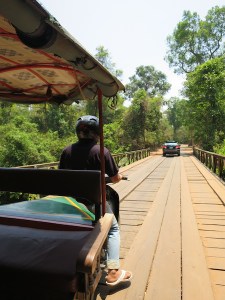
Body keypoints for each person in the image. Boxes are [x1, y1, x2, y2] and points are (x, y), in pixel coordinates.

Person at [59, 115, 132, 286]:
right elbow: (114, 178)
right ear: (97, 133)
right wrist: (119, 177)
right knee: (113, 228)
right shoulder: (101, 151)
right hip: (93, 203)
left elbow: (62, 176)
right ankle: (113, 271)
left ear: (78, 132)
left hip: (71, 203)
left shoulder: (66, 151)